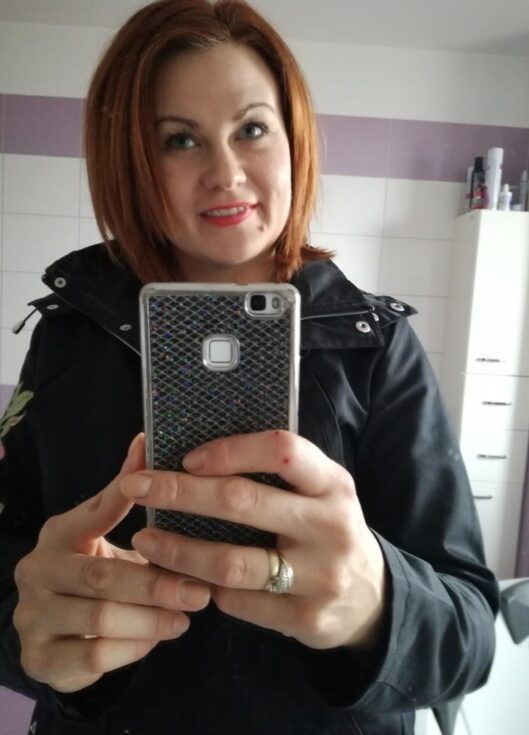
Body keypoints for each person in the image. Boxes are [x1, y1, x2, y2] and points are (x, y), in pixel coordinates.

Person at [0, 1, 499, 733]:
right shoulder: (68, 335)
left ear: (293, 140)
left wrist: (374, 604)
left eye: (252, 129)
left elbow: (469, 635)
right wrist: (28, 626)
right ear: (131, 165)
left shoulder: (376, 346)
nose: (226, 173)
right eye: (179, 140)